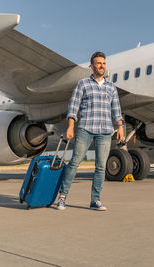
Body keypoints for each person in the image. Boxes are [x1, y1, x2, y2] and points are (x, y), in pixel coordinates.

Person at [57, 51, 124, 211]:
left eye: (104, 63)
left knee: (101, 166)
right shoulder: (83, 84)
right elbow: (73, 105)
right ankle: (62, 197)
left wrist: (120, 126)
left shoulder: (111, 87)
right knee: (75, 162)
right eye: (99, 63)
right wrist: (71, 126)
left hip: (105, 130)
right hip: (86, 128)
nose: (102, 66)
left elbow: (116, 109)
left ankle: (95, 200)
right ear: (92, 66)